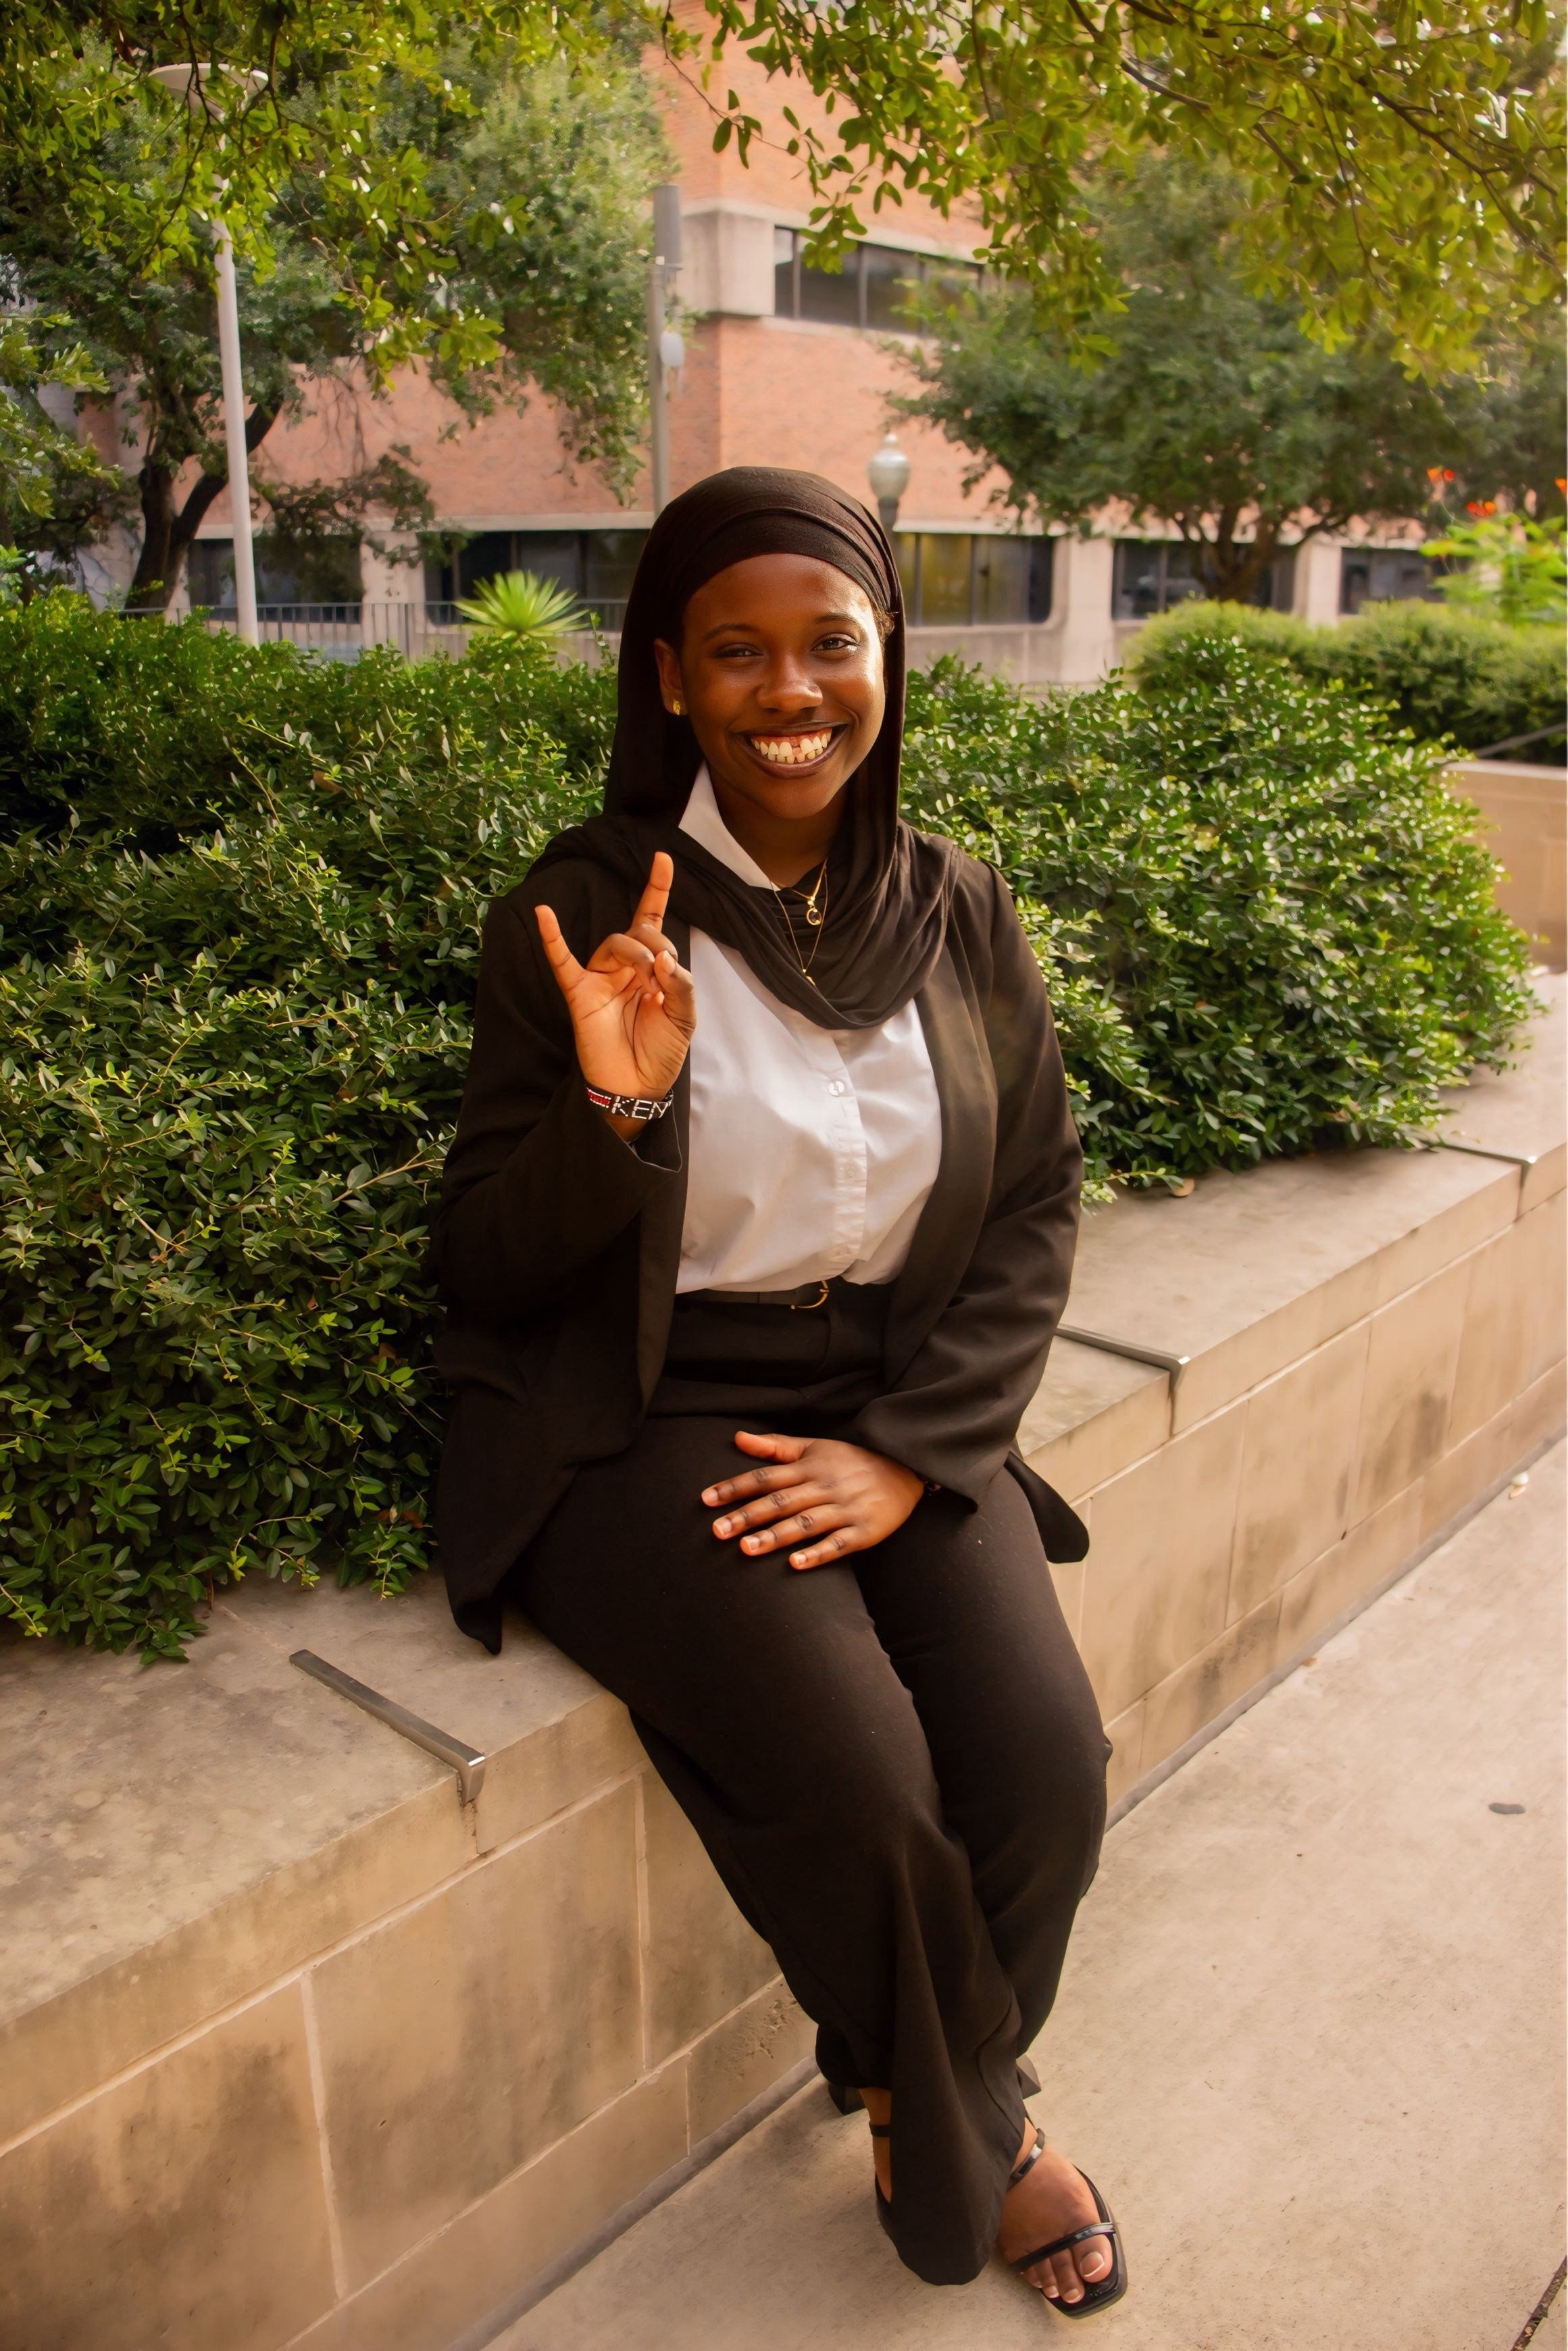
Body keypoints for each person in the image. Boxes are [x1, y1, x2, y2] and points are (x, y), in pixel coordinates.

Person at [430, 467, 1124, 2312]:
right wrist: (619, 1104)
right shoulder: (588, 912)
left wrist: (908, 1454)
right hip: (642, 1414)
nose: (789, 688)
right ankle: (965, 2118)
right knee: (870, 1787)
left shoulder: (958, 910)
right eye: (736, 652)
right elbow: (490, 1265)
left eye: (829, 642)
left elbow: (1032, 1198)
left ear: (887, 652)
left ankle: (918, 2071)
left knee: (1047, 1774)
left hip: (894, 1395)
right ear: (668, 676)